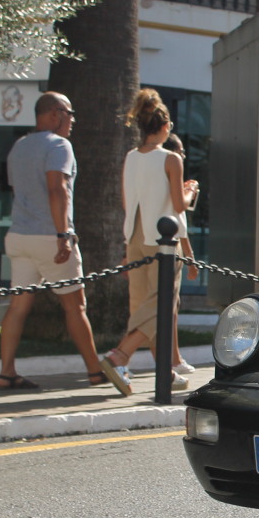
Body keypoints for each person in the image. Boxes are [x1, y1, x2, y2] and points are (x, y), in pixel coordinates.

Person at [0, 92, 106, 391]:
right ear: (55, 113)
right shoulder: (59, 145)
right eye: (70, 114)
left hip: (19, 236)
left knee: (18, 306)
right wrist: (63, 235)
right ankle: (95, 372)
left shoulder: (19, 146)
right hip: (50, 236)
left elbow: (21, 190)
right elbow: (57, 189)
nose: (72, 121)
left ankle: (6, 373)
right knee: (75, 306)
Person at [98, 89, 199, 396]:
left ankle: (164, 373)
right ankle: (120, 356)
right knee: (162, 303)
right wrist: (191, 191)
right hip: (163, 241)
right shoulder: (171, 159)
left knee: (142, 305)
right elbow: (179, 206)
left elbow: (128, 202)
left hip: (135, 238)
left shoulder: (130, 158)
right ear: (165, 126)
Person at [161, 132, 198, 375]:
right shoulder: (174, 187)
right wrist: (190, 192)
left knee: (171, 307)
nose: (183, 156)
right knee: (168, 308)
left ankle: (173, 358)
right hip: (167, 251)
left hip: (163, 247)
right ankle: (170, 361)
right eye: (181, 152)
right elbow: (180, 219)